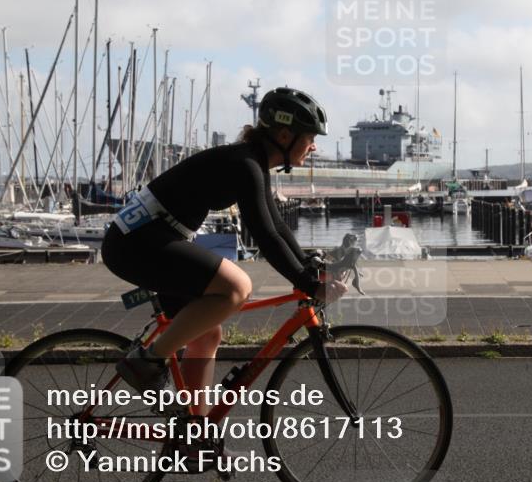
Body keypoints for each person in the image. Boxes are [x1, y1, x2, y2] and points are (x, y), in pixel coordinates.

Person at [101, 87, 348, 412]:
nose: (314, 146)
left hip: (148, 239)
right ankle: (145, 363)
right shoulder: (244, 165)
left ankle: (193, 440)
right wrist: (307, 283)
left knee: (206, 334)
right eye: (311, 137)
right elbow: (264, 235)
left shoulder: (252, 164)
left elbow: (277, 227)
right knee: (236, 287)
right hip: (137, 243)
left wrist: (307, 263)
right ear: (286, 135)